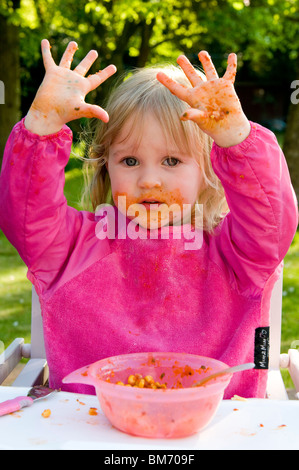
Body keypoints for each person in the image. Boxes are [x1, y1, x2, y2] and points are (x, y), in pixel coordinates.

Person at [0, 40, 297, 398]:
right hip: (86, 429)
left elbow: (271, 222)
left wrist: (237, 139)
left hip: (217, 429)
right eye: (130, 161)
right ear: (106, 167)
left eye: (171, 161)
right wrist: (41, 128)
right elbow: (28, 215)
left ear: (207, 169)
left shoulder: (237, 254)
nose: (149, 180)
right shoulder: (71, 248)